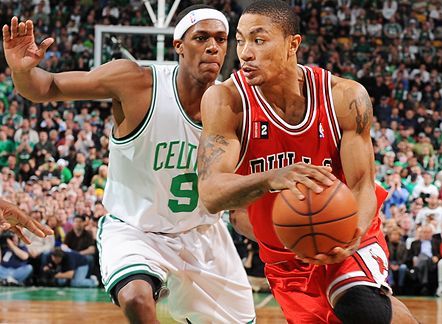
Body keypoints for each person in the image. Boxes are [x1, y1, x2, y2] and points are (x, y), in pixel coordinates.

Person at [3, 7, 254, 323]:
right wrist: (23, 71)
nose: (213, 47)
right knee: (136, 298)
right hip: (135, 229)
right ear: (178, 45)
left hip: (202, 234)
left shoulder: (239, 106)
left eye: (220, 38)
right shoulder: (136, 82)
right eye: (201, 37)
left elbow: (239, 211)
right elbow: (46, 87)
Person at [197, 1, 417, 323]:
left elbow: (362, 184)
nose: (245, 52)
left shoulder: (345, 97)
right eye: (241, 40)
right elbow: (211, 194)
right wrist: (272, 180)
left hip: (348, 230)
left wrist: (347, 233)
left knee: (360, 306)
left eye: (259, 40)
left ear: (293, 44)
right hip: (285, 256)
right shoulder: (226, 101)